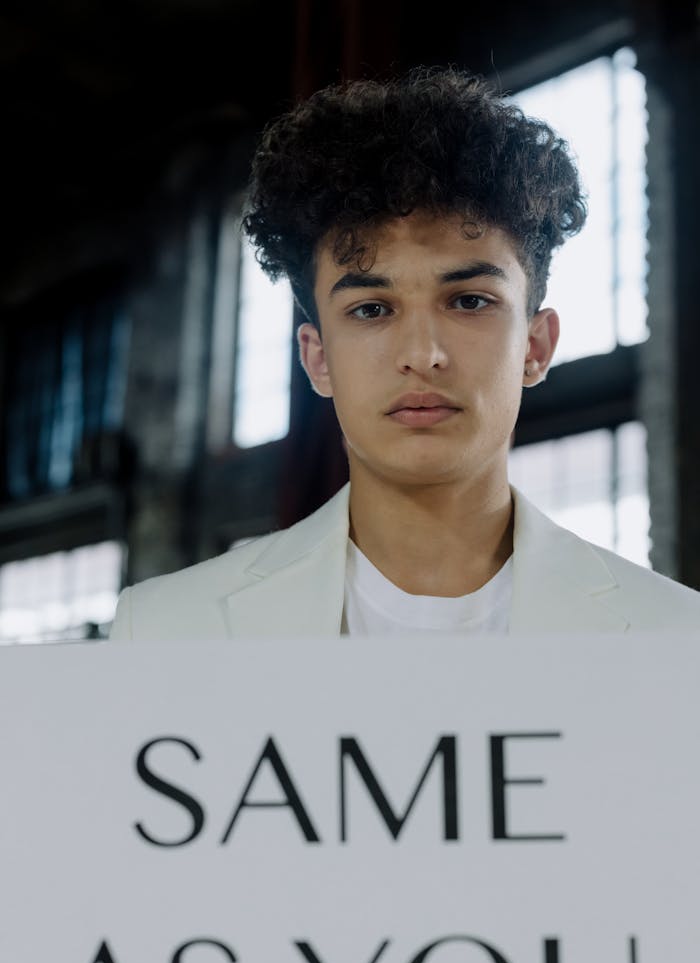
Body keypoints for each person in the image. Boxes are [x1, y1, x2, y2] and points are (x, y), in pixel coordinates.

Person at [110, 67, 700, 640]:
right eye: (371, 309)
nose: (423, 355)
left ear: (536, 345)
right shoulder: (166, 629)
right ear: (317, 360)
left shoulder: (675, 635)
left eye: (469, 301)